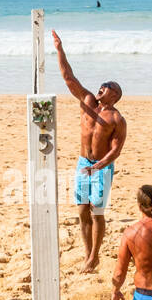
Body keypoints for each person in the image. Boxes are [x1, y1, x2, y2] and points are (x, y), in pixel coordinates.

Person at [52, 30, 127, 272]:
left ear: (114, 95)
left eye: (106, 87)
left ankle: (95, 255)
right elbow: (68, 77)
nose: (100, 88)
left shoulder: (116, 118)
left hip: (102, 167)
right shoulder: (86, 100)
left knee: (97, 212)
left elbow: (116, 150)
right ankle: (88, 254)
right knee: (82, 210)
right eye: (101, 86)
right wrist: (60, 49)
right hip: (83, 163)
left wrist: (100, 164)